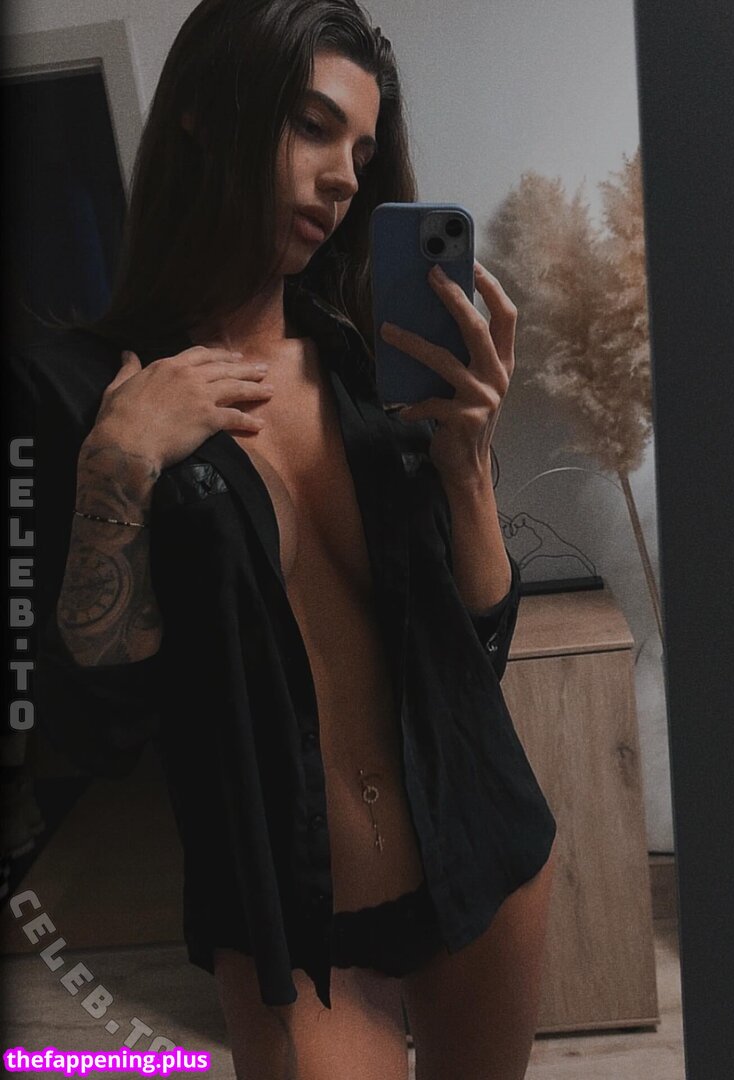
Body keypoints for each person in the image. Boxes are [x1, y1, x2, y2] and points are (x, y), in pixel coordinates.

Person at [11, 2, 558, 1077]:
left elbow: (478, 647)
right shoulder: (82, 391)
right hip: (295, 928)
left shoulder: (368, 370)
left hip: (484, 850)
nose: (345, 177)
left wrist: (467, 466)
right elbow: (94, 727)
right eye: (312, 126)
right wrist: (120, 462)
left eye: (361, 150)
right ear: (204, 114)